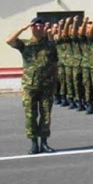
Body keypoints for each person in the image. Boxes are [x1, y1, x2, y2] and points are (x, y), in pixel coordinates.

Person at [7, 17, 59, 154]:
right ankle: (34, 143)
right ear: (31, 28)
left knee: (46, 115)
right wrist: (22, 28)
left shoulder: (50, 45)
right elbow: (9, 41)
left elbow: (55, 66)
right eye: (35, 26)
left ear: (44, 28)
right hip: (29, 87)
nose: (39, 28)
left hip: (46, 86)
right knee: (31, 116)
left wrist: (55, 83)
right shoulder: (25, 44)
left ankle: (45, 143)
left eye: (41, 26)